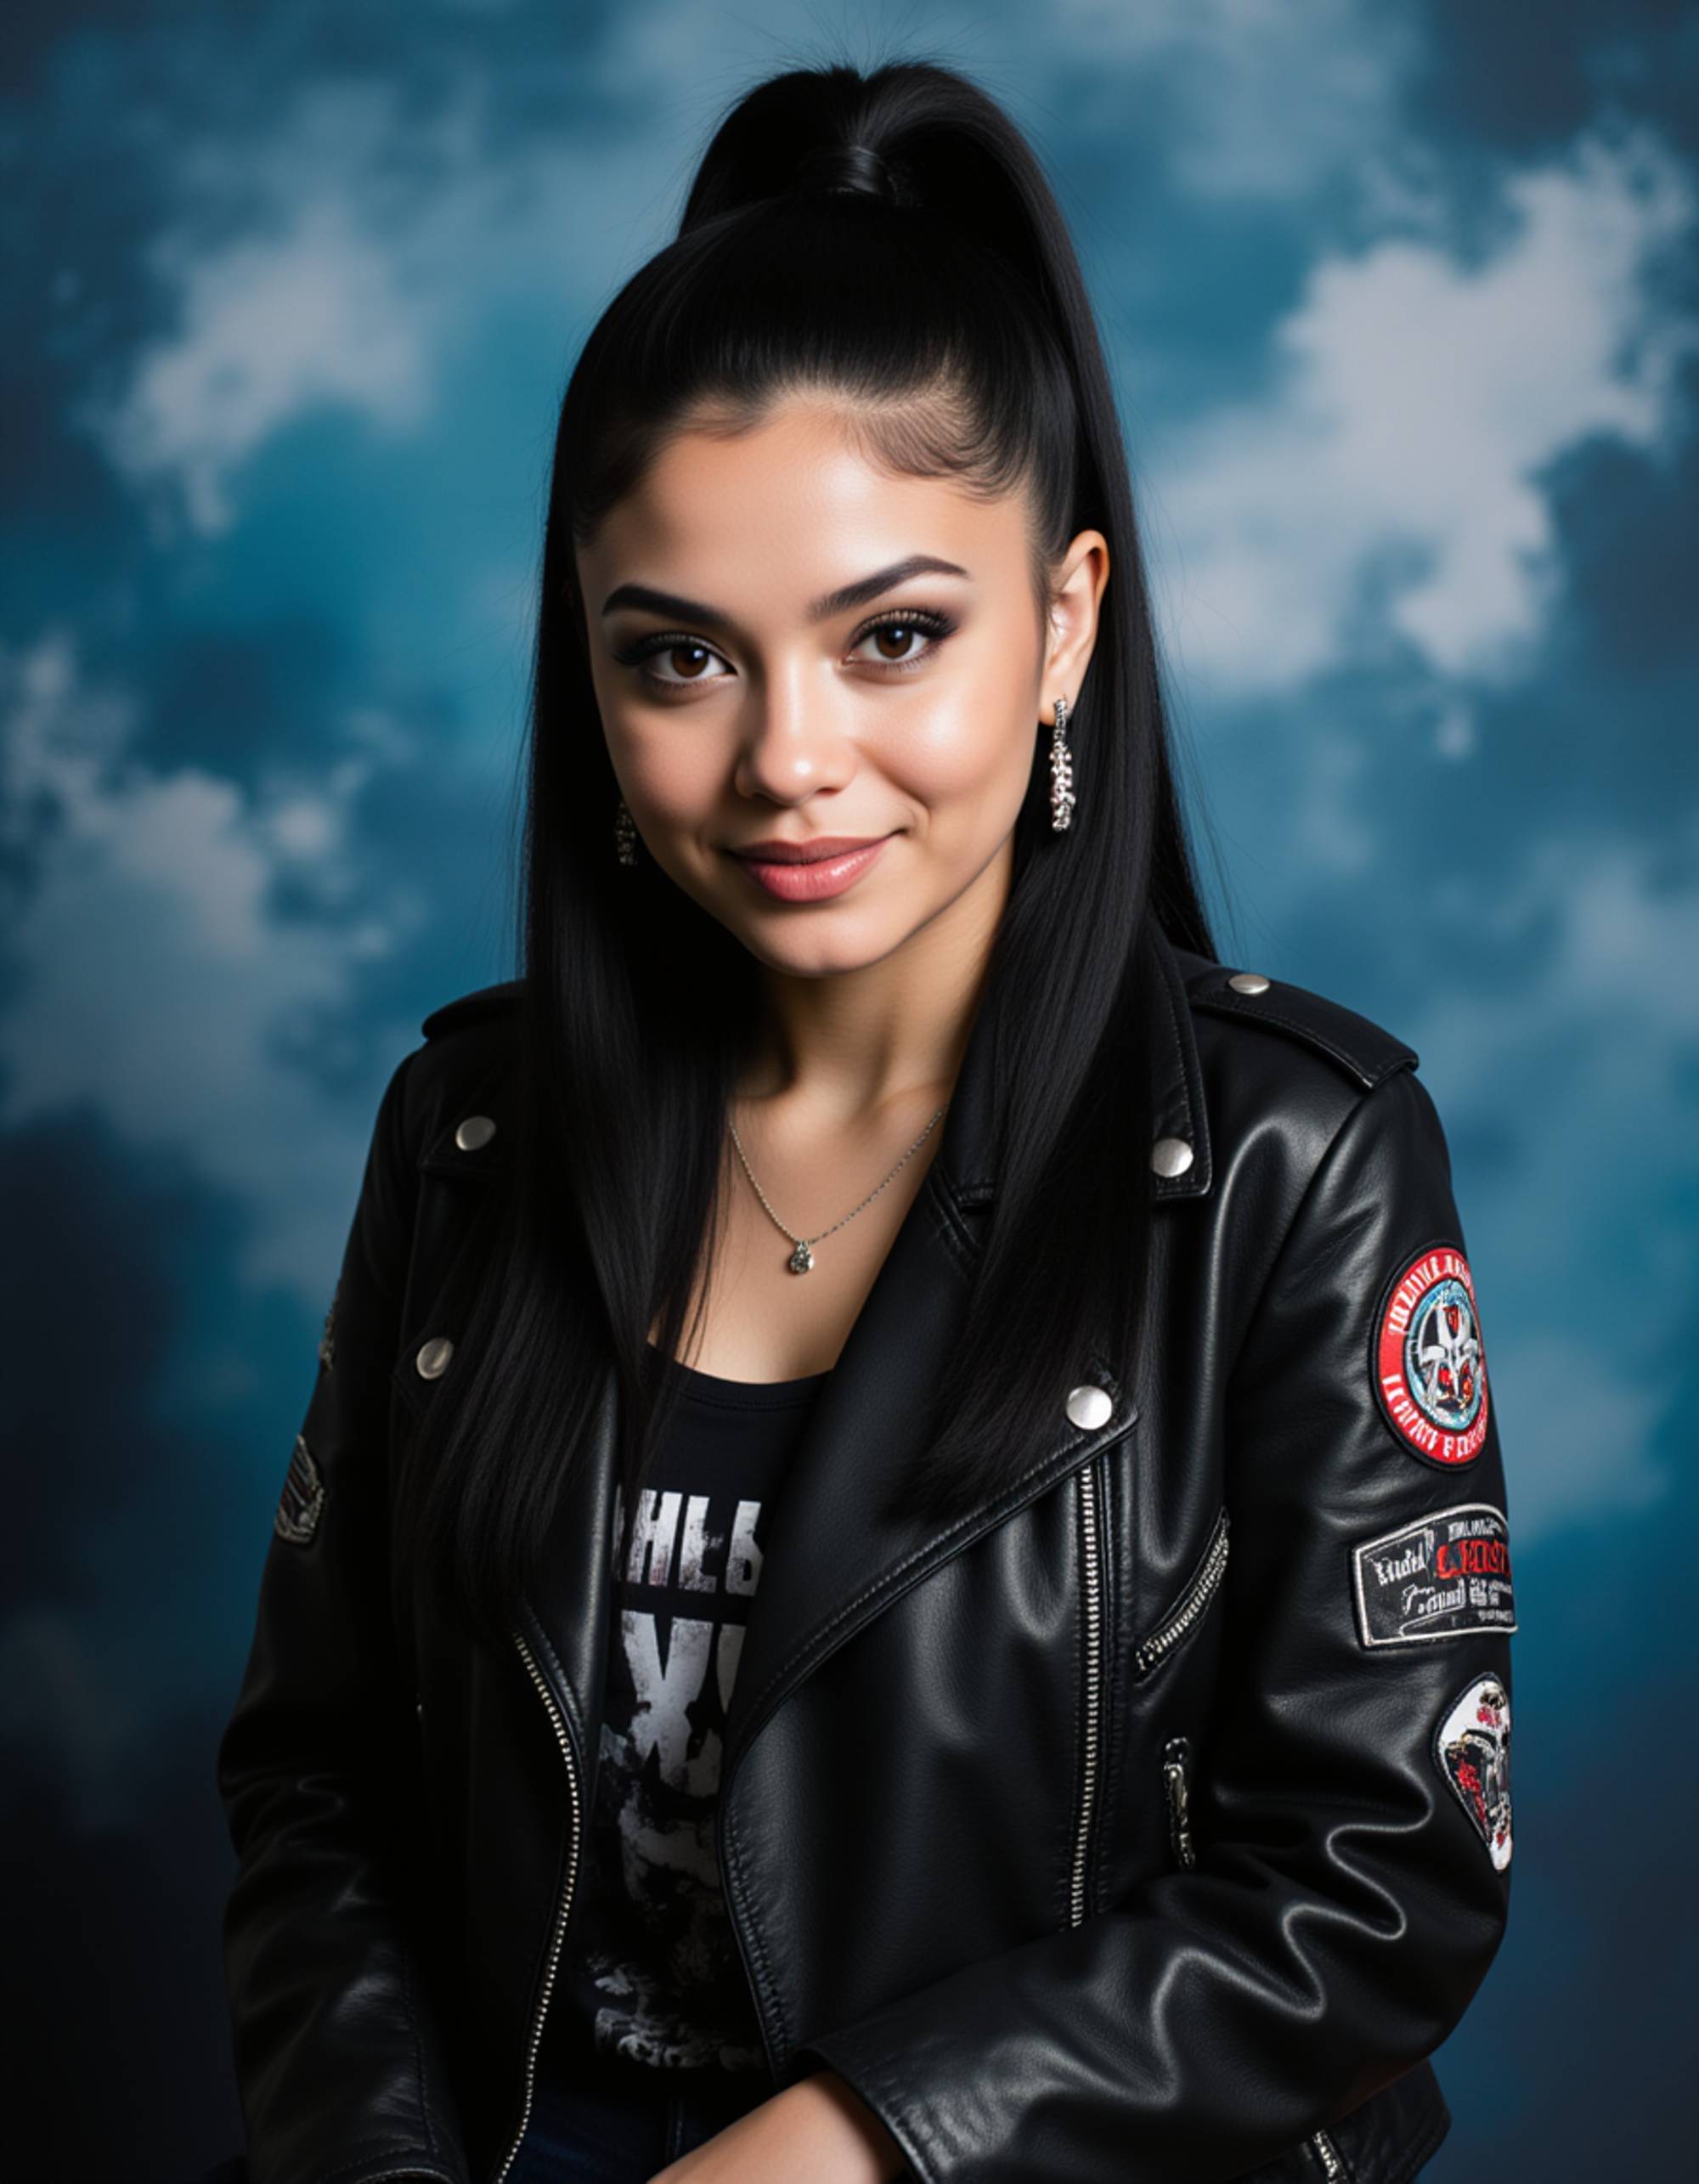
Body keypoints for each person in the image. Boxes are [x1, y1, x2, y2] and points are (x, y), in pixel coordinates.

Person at [210, 53, 1516, 2184]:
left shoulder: (1297, 1161)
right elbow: (318, 1782)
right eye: (682, 660)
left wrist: (850, 2144)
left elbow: (1375, 1878)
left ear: (1062, 622)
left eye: (892, 634)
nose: (789, 761)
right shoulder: (463, 1131)